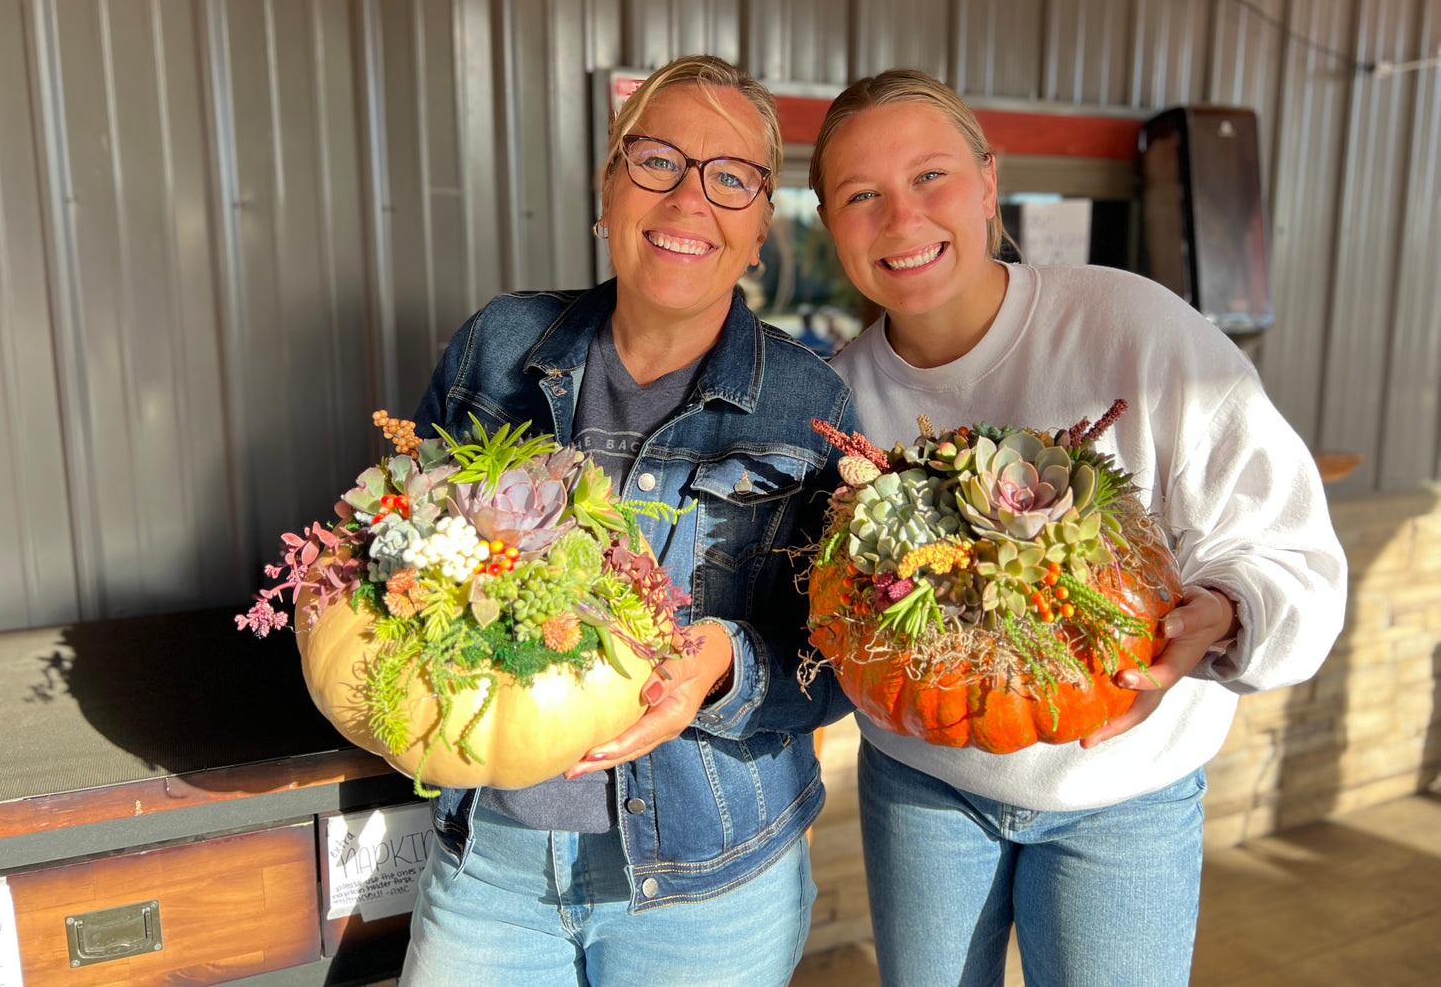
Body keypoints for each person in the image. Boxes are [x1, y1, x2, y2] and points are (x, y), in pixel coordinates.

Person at [807, 68, 1347, 987]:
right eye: (862, 195)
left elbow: (1285, 542)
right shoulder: (832, 397)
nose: (902, 219)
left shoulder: (1132, 328)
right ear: (828, 224)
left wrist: (1222, 608)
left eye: (930, 177)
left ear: (988, 181)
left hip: (1122, 793)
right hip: (922, 781)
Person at [400, 55, 857, 987]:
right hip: (492, 863)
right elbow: (399, 552)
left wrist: (724, 662)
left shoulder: (807, 401)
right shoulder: (500, 344)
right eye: (656, 160)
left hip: (712, 883)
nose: (690, 198)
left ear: (762, 228)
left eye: (731, 177)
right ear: (606, 191)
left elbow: (840, 657)